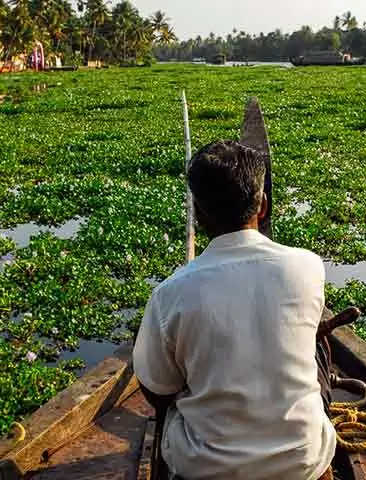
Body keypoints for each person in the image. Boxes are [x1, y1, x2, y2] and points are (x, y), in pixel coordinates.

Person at [132, 140, 336, 480]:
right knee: (317, 347)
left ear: (198, 213)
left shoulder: (170, 294)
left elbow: (157, 389)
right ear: (264, 206)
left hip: (206, 467)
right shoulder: (308, 267)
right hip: (303, 460)